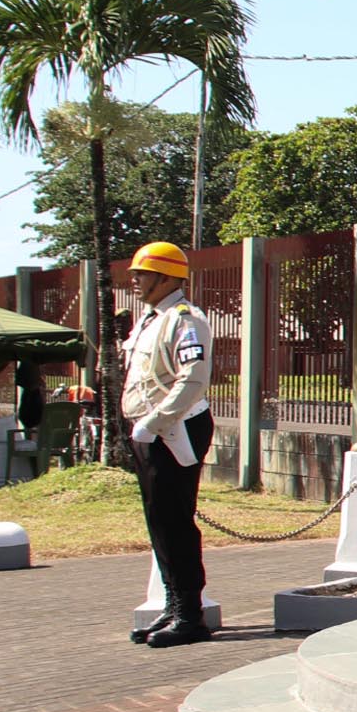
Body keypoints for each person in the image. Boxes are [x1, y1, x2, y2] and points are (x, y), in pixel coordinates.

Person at [121, 241, 215, 646]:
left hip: (175, 431)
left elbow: (194, 378)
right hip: (150, 430)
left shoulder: (184, 319)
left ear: (165, 277)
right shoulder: (149, 319)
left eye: (142, 274)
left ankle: (190, 616)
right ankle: (174, 607)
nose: (135, 280)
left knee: (176, 522)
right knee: (159, 522)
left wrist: (157, 421)